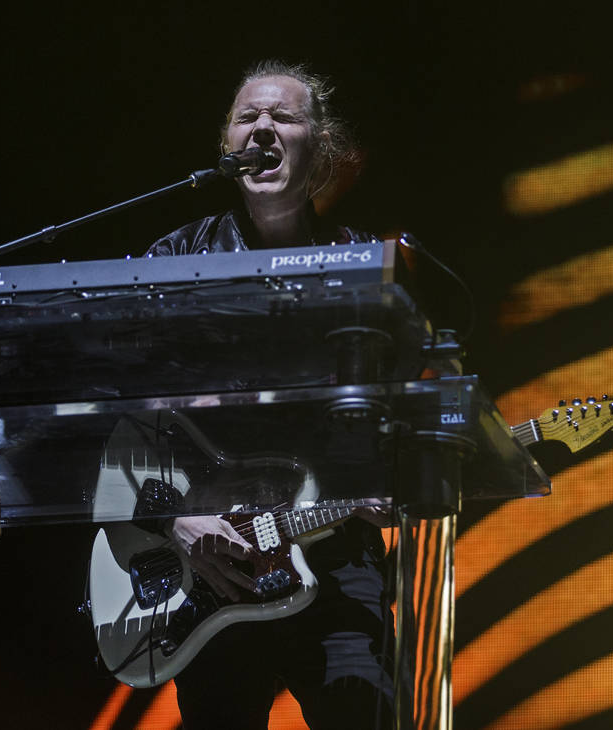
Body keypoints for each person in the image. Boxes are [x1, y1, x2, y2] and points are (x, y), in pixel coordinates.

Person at [146, 60, 397, 730]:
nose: (262, 128)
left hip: (337, 565)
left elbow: (395, 412)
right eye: (247, 116)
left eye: (282, 117)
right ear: (226, 146)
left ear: (321, 146)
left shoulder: (362, 265)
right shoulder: (172, 259)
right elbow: (125, 417)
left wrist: (397, 475)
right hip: (214, 571)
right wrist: (172, 520)